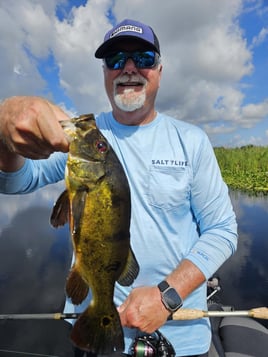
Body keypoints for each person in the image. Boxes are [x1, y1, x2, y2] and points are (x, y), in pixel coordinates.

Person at [0, 19, 237, 357]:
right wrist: (4, 131)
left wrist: (166, 296)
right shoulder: (82, 136)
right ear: (104, 72)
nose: (128, 68)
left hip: (180, 336)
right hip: (95, 326)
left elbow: (223, 230)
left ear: (159, 69)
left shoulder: (192, 141)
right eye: (115, 60)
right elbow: (15, 181)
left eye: (142, 58)